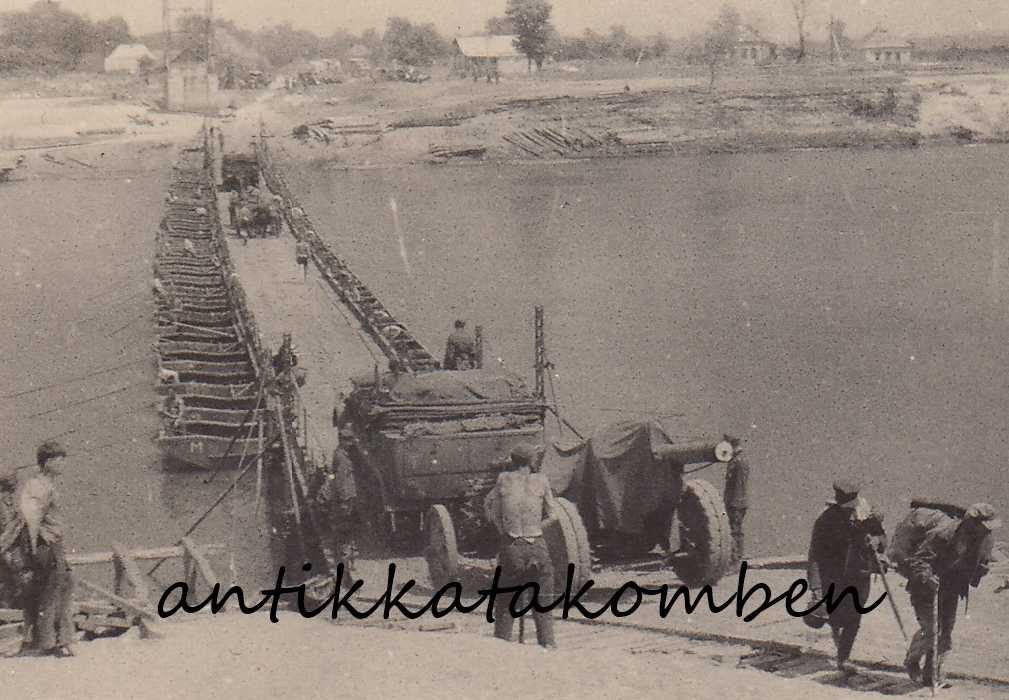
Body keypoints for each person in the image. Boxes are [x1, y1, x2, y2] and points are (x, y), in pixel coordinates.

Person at [887, 501, 1001, 687]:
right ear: (971, 523)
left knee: (945, 634)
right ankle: (912, 660)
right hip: (925, 586)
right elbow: (919, 560)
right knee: (932, 630)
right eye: (984, 527)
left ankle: (932, 676)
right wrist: (927, 577)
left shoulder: (984, 539)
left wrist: (980, 570)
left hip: (951, 588)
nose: (987, 532)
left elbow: (978, 564)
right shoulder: (944, 534)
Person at [804, 481, 887, 672]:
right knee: (835, 614)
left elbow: (882, 539)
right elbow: (815, 553)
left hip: (859, 574)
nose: (850, 512)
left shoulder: (867, 515)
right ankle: (837, 638)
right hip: (834, 576)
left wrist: (875, 541)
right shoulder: (826, 519)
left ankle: (843, 657)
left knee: (854, 616)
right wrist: (815, 585)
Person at [2, 441, 75, 657]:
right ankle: (52, 643)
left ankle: (52, 640)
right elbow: (32, 519)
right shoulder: (38, 486)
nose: (62, 463)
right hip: (46, 544)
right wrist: (34, 549)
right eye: (58, 459)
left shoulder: (46, 484)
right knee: (52, 591)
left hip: (52, 543)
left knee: (62, 586)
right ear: (47, 462)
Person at [483, 443, 556, 648]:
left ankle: (502, 648)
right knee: (543, 606)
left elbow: (492, 512)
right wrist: (535, 529)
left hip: (512, 546)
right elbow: (552, 516)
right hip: (537, 545)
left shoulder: (503, 480)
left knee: (506, 604)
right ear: (532, 461)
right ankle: (548, 647)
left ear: (512, 461)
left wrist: (504, 531)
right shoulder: (542, 480)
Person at [723, 447, 748, 567]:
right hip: (738, 501)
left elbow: (737, 484)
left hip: (735, 502)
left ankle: (735, 562)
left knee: (734, 531)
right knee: (735, 531)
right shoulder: (740, 459)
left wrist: (730, 501)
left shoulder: (738, 461)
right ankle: (735, 560)